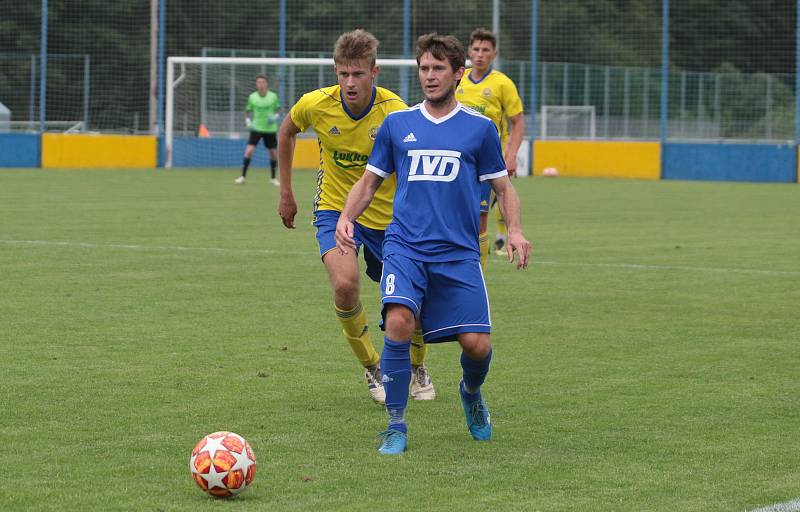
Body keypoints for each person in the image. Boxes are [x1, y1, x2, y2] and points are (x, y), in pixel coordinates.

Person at [335, 33, 531, 454]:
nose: (429, 76)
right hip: (405, 248)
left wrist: (513, 229)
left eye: (438, 68)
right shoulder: (398, 124)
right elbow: (369, 181)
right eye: (423, 68)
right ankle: (396, 425)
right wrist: (346, 218)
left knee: (477, 346)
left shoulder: (478, 130)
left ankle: (471, 394)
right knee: (401, 322)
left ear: (458, 74)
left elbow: (503, 186)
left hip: (459, 252)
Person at [277, 29, 436, 404]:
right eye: (343, 73)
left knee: (413, 307)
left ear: (374, 72)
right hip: (334, 209)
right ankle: (372, 367)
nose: (350, 82)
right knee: (345, 286)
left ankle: (417, 367)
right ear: (336, 71)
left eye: (358, 74)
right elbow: (286, 133)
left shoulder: (396, 112)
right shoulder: (316, 104)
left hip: (389, 220)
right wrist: (285, 192)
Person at [456, 28, 525, 266]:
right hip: (457, 158)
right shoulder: (458, 79)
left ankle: (478, 275)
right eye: (476, 49)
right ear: (469, 51)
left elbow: (517, 122)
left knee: (479, 219)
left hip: (485, 160)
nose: (480, 54)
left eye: (486, 50)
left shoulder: (502, 83)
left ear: (494, 54)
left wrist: (511, 156)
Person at [236, 74, 281, 186]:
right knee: (249, 151)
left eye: (263, 82)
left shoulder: (273, 96)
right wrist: (248, 121)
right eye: (258, 82)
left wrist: (275, 117)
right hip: (256, 128)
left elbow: (278, 109)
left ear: (266, 84)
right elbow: (247, 111)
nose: (261, 84)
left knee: (273, 153)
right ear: (256, 84)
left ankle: (273, 178)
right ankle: (243, 177)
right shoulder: (252, 97)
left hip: (270, 129)